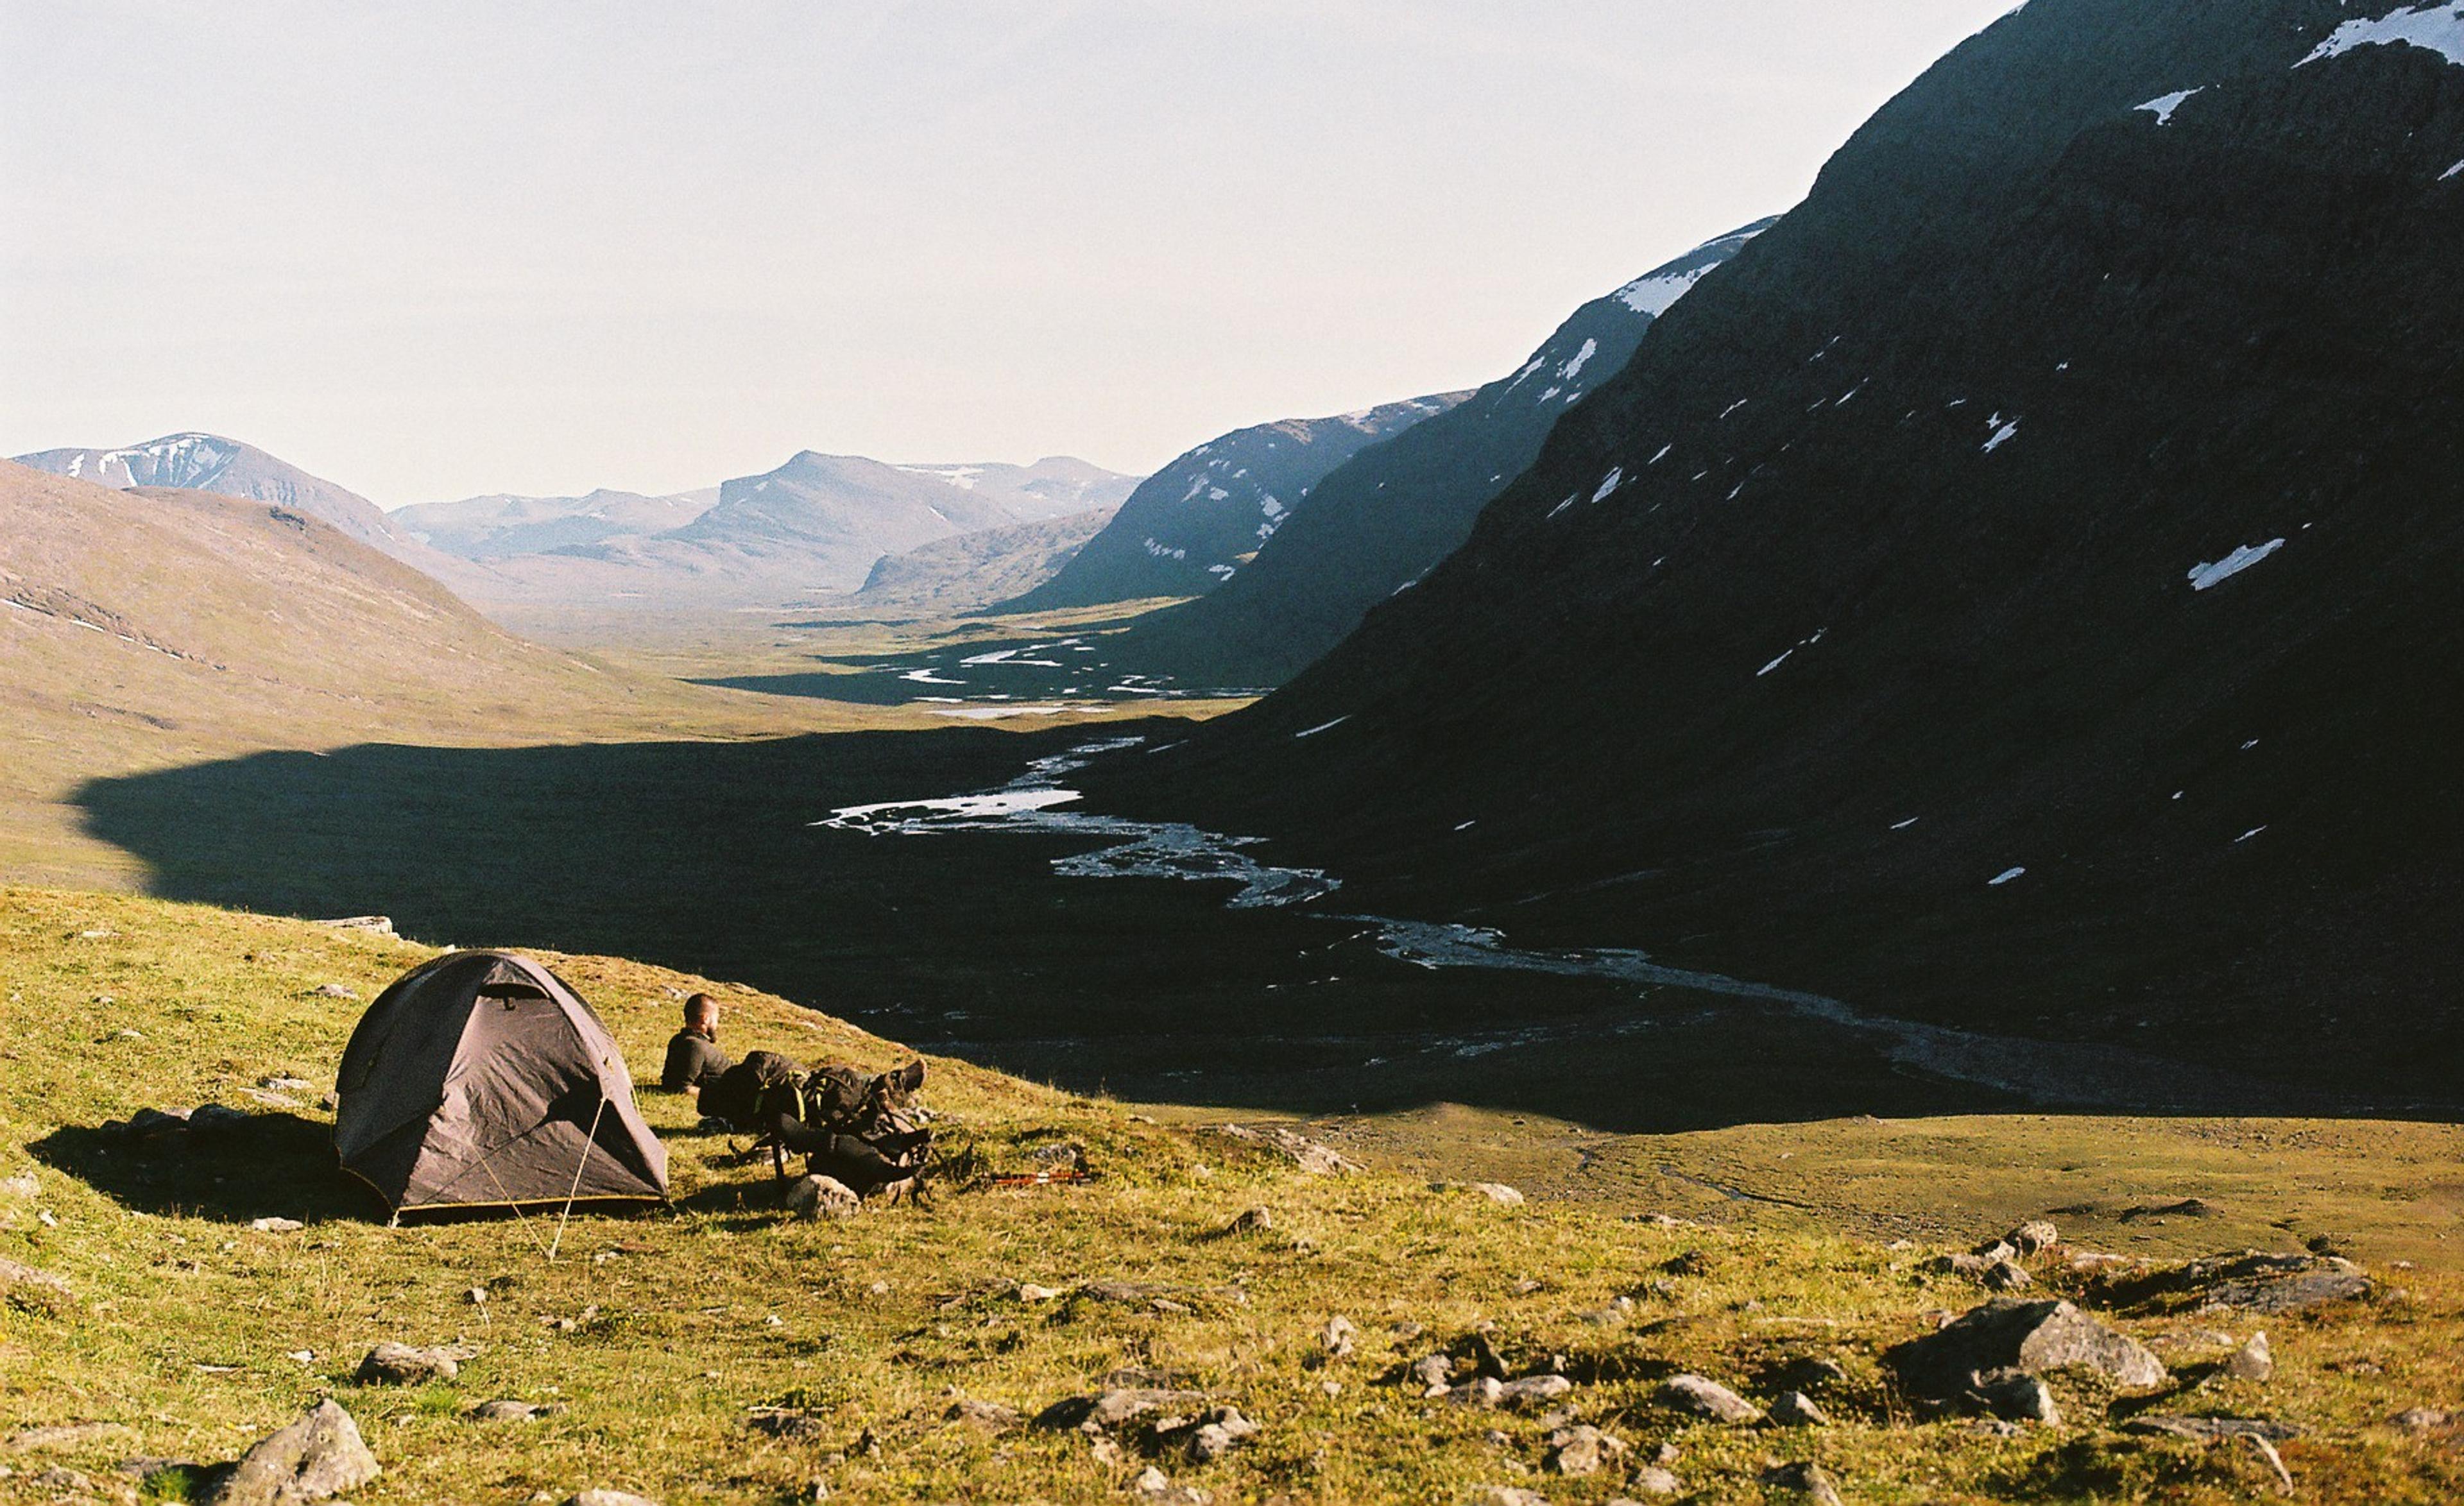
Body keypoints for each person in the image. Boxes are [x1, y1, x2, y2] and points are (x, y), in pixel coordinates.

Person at [660, 993, 732, 1093]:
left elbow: (668, 1081)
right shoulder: (695, 1045)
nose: (717, 1024)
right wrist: (718, 1094)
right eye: (716, 1019)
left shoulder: (677, 1040)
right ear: (706, 1019)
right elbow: (682, 1087)